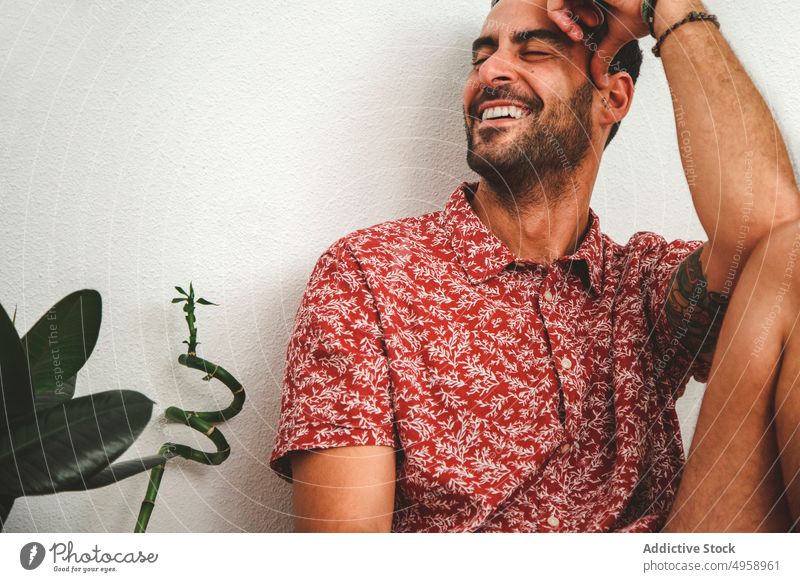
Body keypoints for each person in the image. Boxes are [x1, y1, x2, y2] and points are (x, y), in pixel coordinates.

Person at [270, 0, 800, 532]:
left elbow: (771, 227)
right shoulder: (368, 277)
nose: (490, 72)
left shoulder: (640, 284)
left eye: (534, 51)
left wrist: (668, 7)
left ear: (612, 97)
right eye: (482, 57)